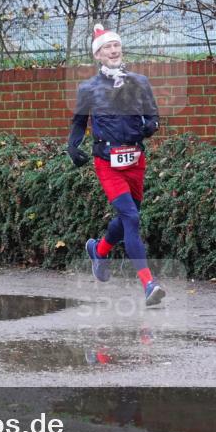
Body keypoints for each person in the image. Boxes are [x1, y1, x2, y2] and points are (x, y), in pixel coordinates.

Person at [67, 23, 165, 306]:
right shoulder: (89, 88)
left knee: (128, 217)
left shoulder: (139, 82)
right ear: (98, 55)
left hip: (135, 160)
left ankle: (99, 249)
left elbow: (152, 115)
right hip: (107, 162)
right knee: (132, 219)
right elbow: (78, 121)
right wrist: (73, 146)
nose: (113, 50)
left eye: (116, 46)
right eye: (107, 47)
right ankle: (149, 284)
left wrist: (150, 126)